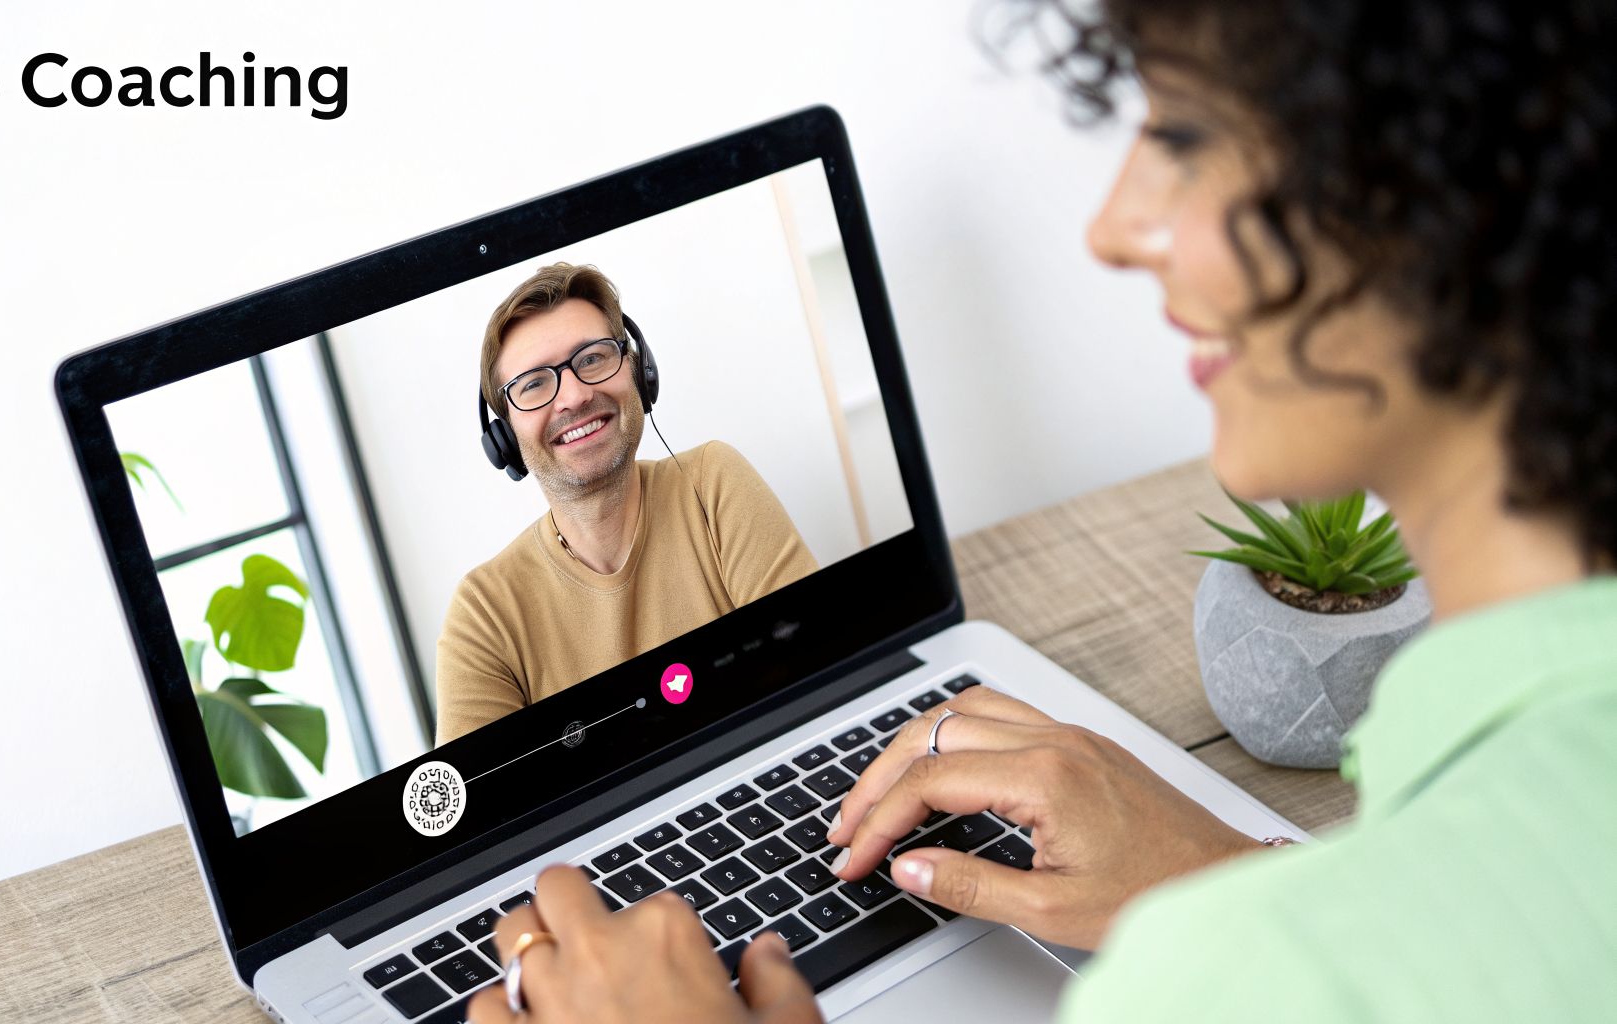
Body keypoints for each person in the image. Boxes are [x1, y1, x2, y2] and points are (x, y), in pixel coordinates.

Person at [467, 1, 1617, 1020]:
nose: (1110, 226)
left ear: (1438, 167)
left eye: (1182, 135)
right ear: (502, 429)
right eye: (533, 382)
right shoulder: (486, 603)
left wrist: (1250, 940)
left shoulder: (1230, 982)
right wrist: (1241, 877)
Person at [435, 263, 819, 743]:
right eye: (533, 384)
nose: (573, 396)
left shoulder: (712, 482)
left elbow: (818, 668)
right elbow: (491, 807)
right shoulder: (485, 613)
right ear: (504, 436)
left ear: (639, 372)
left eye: (592, 358)